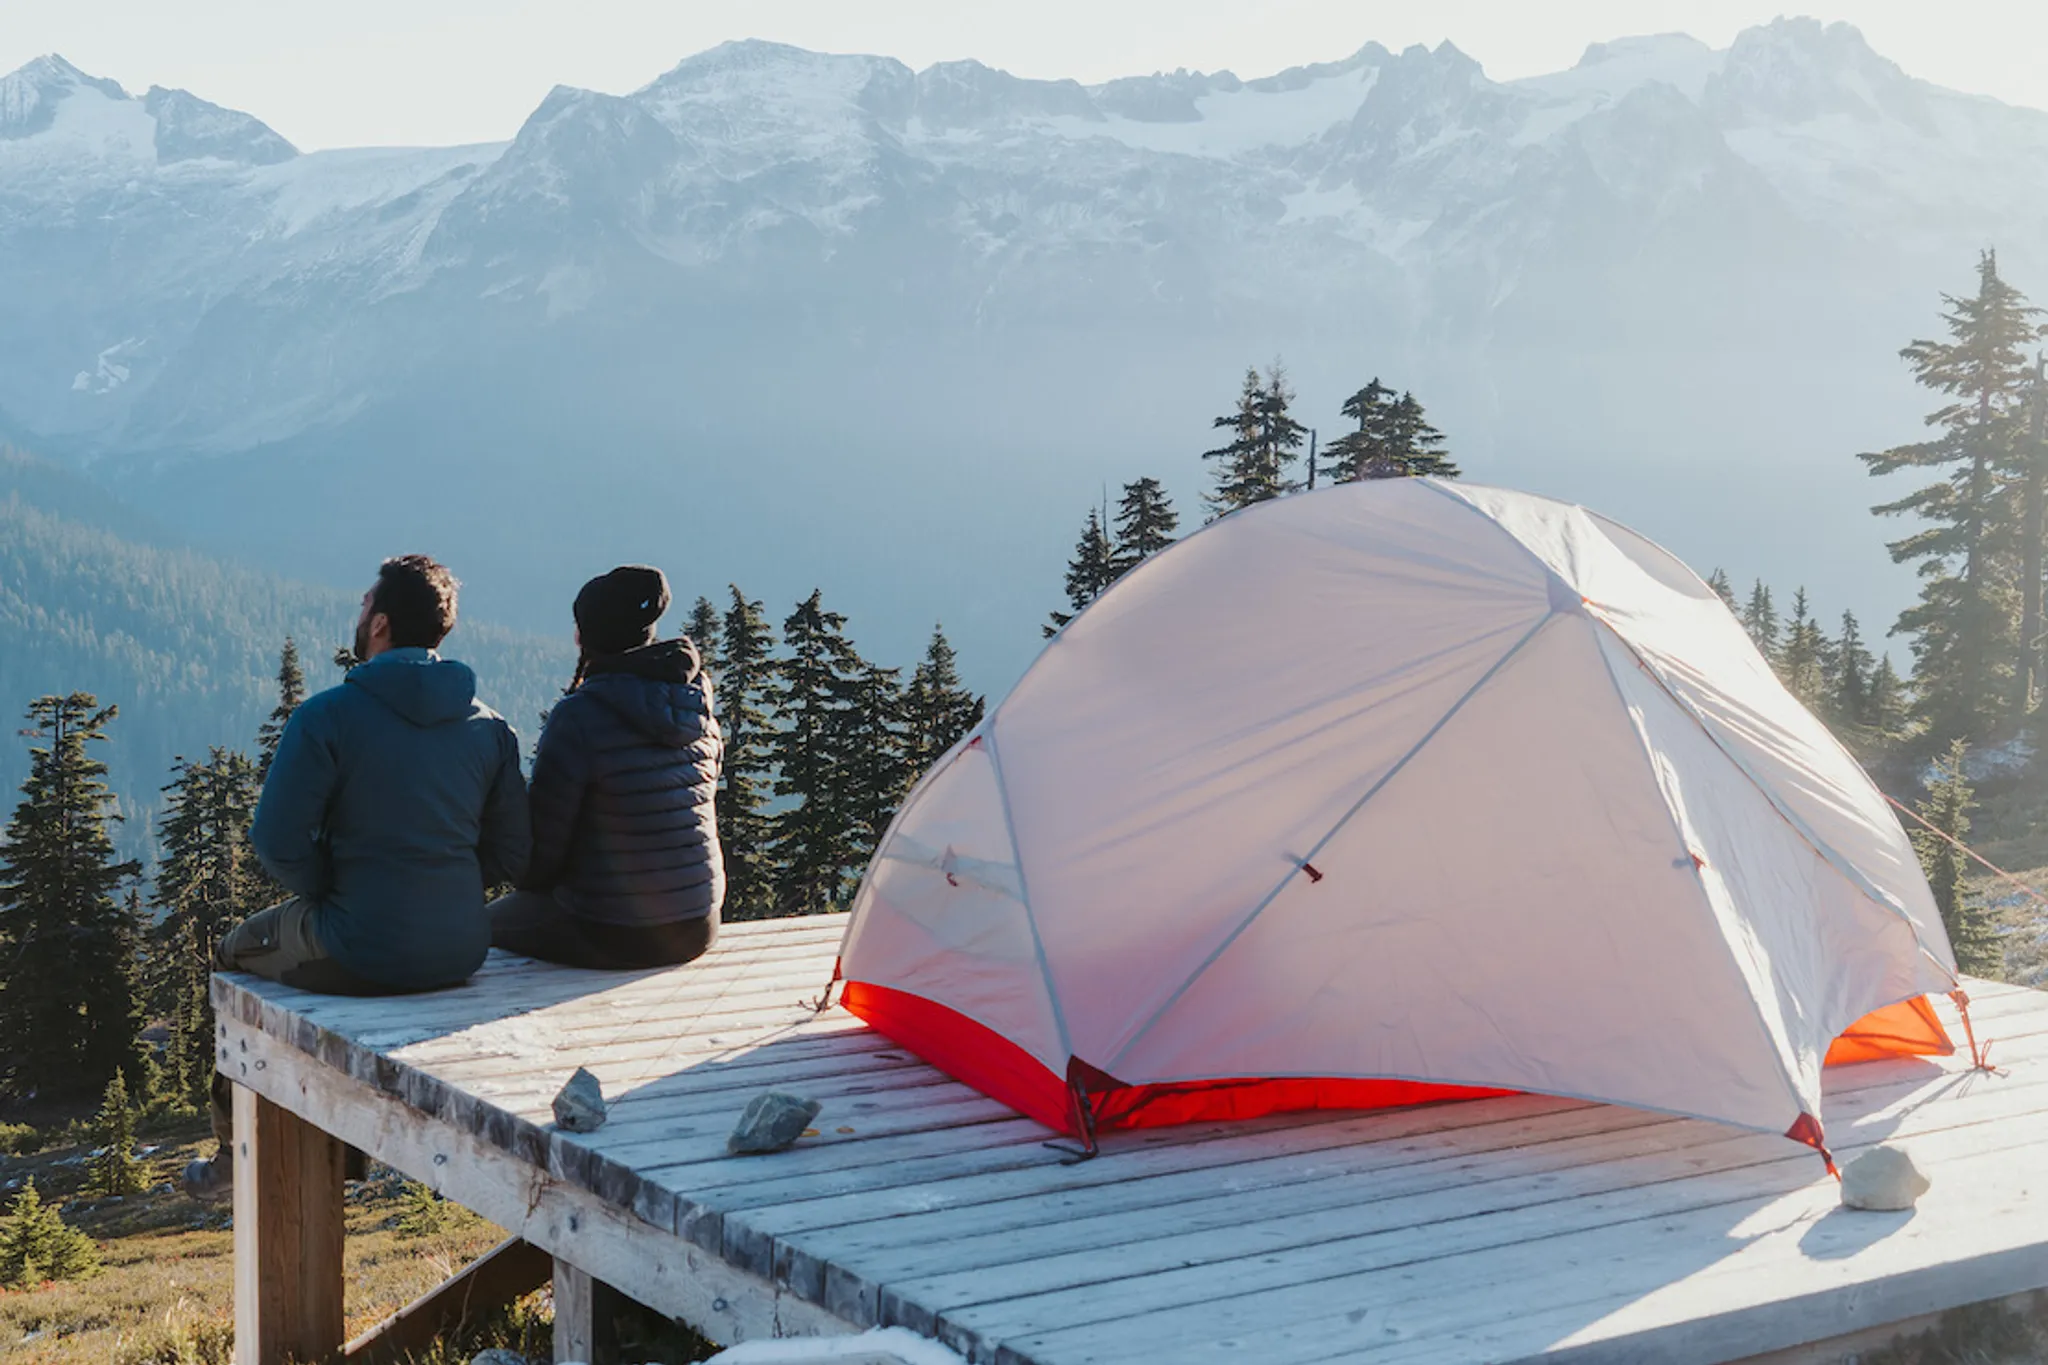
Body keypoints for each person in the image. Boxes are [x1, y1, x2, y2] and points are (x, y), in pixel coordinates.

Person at [184, 554, 529, 1200]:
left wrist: (329, 889)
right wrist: (449, 886)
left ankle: (236, 1154)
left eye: (364, 603)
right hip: (461, 947)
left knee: (232, 957)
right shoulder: (490, 727)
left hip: (359, 942)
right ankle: (342, 1153)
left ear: (381, 625)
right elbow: (513, 849)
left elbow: (274, 840)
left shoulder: (328, 716)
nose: (359, 613)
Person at [488, 564, 724, 970]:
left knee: (477, 924)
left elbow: (542, 856)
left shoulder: (580, 715)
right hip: (698, 923)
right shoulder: (694, 702)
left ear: (583, 636)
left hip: (613, 929)